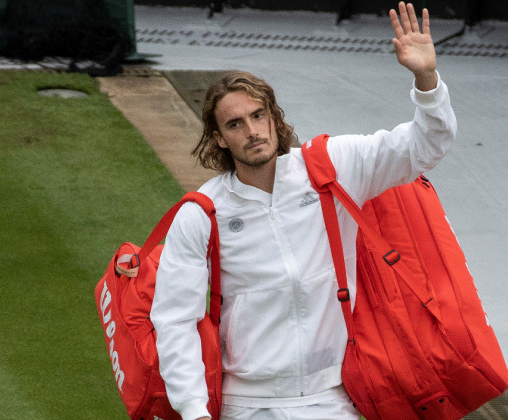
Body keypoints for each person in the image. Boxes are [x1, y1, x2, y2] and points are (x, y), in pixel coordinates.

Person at [149, 2, 457, 419]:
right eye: (235, 124)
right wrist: (193, 410)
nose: (253, 131)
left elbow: (426, 146)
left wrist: (426, 79)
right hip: (246, 404)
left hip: (332, 398)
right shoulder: (201, 213)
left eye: (259, 115)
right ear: (219, 139)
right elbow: (174, 319)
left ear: (274, 118)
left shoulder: (333, 167)